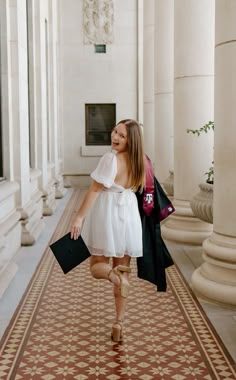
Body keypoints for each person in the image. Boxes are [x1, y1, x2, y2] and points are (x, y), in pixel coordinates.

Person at [70, 119, 145, 343]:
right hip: (129, 214)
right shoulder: (140, 160)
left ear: (131, 140)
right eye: (115, 132)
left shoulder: (110, 158)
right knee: (123, 271)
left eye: (122, 135)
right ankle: (118, 323)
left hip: (109, 213)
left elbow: (94, 189)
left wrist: (79, 217)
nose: (115, 137)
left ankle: (113, 276)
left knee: (96, 266)